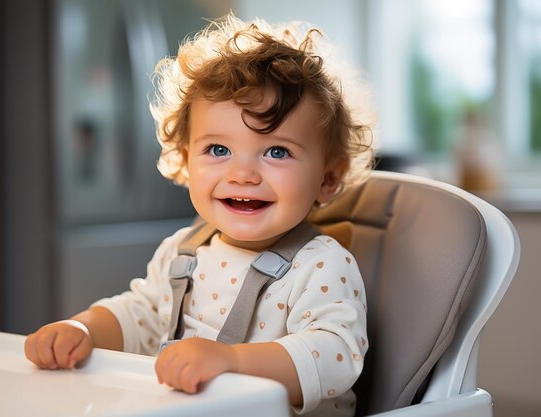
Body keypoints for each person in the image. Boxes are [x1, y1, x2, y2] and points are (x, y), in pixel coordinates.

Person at [25, 14, 376, 416]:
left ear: (328, 178)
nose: (242, 174)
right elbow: (140, 314)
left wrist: (233, 362)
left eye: (277, 152)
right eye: (218, 150)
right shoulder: (183, 251)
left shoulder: (322, 263)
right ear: (187, 159)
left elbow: (334, 354)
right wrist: (83, 330)